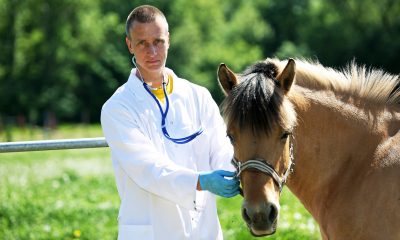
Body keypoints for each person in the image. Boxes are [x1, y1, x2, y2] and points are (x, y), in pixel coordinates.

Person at [100, 5, 240, 240]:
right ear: (129, 45)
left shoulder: (199, 96)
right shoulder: (117, 108)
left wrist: (233, 172)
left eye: (158, 41)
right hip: (152, 231)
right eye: (142, 43)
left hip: (203, 231)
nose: (152, 51)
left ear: (169, 40)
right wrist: (201, 181)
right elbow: (147, 168)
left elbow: (221, 148)